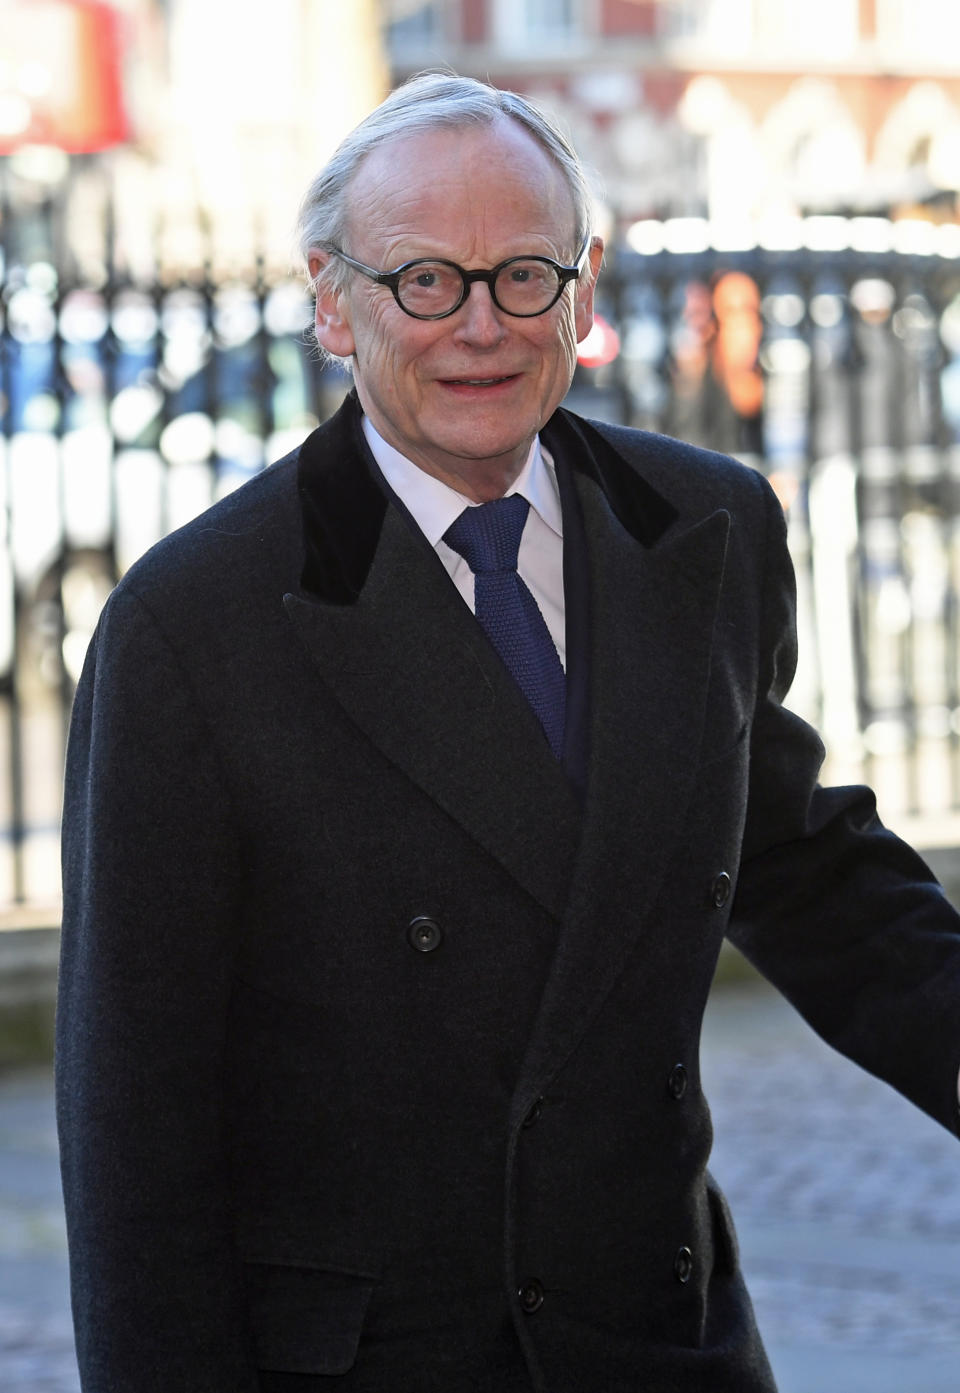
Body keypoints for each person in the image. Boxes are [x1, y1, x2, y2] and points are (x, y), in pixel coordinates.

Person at [56, 73, 960, 1393]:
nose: (480, 325)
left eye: (522, 276)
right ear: (333, 298)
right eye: (427, 280)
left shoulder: (701, 531)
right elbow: (138, 1127)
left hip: (666, 1344)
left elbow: (806, 866)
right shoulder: (196, 624)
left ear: (582, 293)